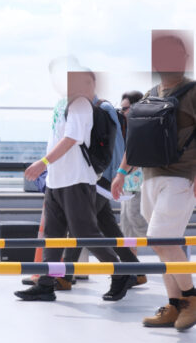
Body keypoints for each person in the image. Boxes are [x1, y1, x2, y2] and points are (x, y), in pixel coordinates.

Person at [15, 70, 134, 302]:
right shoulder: (63, 103)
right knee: (53, 234)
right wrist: (48, 169)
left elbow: (71, 139)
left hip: (76, 179)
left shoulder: (81, 104)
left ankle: (120, 272)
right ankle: (46, 283)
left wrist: (43, 162)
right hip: (57, 179)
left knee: (84, 232)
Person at [111, 32, 196, 330]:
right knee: (163, 245)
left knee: (160, 239)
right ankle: (174, 305)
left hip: (181, 178)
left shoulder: (193, 92)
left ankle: (191, 298)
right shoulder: (150, 94)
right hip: (149, 178)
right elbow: (136, 140)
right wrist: (121, 172)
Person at [58, 88, 145, 300]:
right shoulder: (90, 109)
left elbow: (116, 146)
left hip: (102, 177)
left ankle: (65, 276)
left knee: (80, 224)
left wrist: (114, 176)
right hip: (95, 177)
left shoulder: (103, 108)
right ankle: (136, 270)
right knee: (107, 226)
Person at [117, 90, 148, 238]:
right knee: (126, 229)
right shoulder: (126, 128)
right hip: (127, 184)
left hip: (139, 184)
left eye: (125, 108)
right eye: (121, 109)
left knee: (139, 222)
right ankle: (130, 256)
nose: (122, 112)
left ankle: (168, 248)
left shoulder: (144, 126)